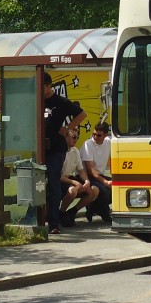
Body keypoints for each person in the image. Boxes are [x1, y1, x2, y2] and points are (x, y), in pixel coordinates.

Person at [42, 73, 88, 235]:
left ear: (49, 86)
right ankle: (34, 217)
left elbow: (81, 114)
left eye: (42, 87)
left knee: (54, 185)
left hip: (55, 149)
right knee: (36, 184)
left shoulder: (60, 102)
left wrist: (68, 129)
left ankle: (54, 223)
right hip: (39, 148)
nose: (39, 90)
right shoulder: (36, 100)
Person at [59, 124, 99, 227]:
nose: (76, 140)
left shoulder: (75, 151)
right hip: (60, 180)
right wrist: (75, 183)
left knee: (94, 190)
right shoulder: (60, 152)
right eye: (73, 137)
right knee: (72, 190)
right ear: (65, 137)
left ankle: (72, 212)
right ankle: (61, 213)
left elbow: (81, 170)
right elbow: (59, 176)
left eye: (77, 137)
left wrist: (86, 181)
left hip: (70, 178)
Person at [81, 122, 113, 222]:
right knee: (105, 190)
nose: (95, 137)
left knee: (118, 187)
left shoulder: (108, 142)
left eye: (99, 135)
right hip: (87, 176)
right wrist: (106, 182)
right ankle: (104, 213)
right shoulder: (87, 145)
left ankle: (92, 207)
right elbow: (90, 170)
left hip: (100, 175)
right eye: (94, 134)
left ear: (105, 135)